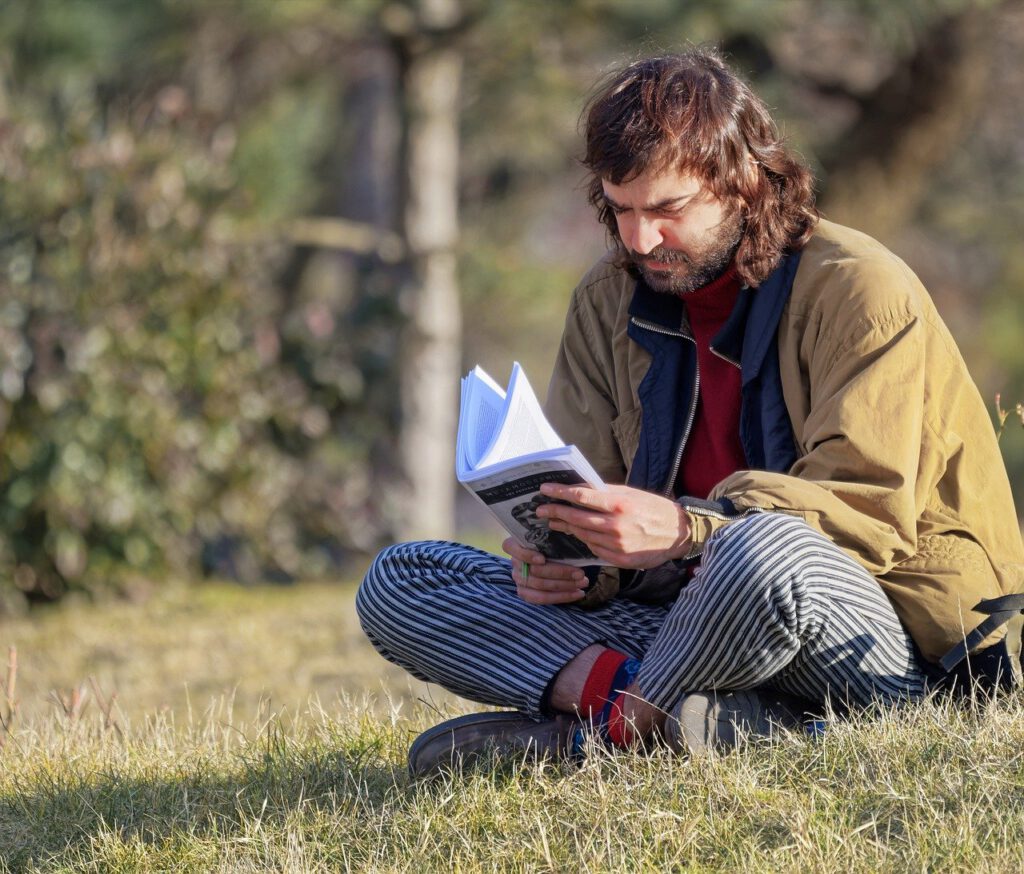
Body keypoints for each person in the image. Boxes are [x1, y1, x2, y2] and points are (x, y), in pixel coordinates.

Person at [356, 47, 1024, 776]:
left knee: (757, 550)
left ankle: (609, 737)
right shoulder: (607, 299)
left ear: (742, 183)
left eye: (668, 210)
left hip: (868, 635)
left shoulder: (862, 289)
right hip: (684, 623)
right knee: (403, 577)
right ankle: (712, 725)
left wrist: (684, 529)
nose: (642, 240)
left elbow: (867, 515)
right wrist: (571, 566)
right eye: (622, 209)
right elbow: (590, 494)